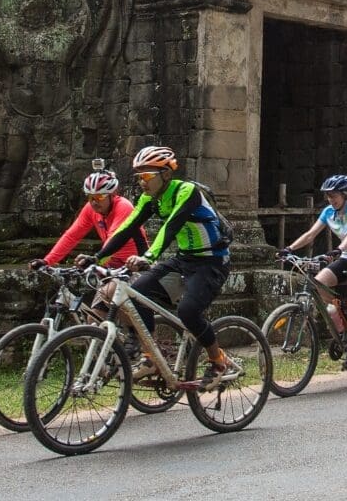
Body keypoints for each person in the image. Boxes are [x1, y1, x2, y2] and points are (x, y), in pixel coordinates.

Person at [89, 146, 237, 390]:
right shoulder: (149, 199)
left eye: (147, 176)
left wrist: (148, 255)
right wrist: (97, 258)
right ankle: (151, 359)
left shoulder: (186, 191)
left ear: (166, 174)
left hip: (211, 261)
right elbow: (126, 229)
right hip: (184, 259)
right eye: (139, 177)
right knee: (137, 293)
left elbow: (171, 227)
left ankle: (217, 359)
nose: (142, 183)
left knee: (188, 312)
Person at [281, 174, 347, 372]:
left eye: (334, 195)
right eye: (328, 196)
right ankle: (343, 317)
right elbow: (310, 234)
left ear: (344, 195)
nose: (331, 199)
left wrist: (339, 249)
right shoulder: (327, 212)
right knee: (317, 283)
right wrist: (289, 249)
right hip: (346, 257)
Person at [34, 161, 146, 268]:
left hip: (135, 262)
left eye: (99, 197)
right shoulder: (90, 208)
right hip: (111, 261)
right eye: (90, 197)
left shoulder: (123, 206)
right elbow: (72, 236)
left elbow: (113, 240)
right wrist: (47, 261)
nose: (94, 202)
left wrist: (95, 260)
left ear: (113, 194)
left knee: (108, 288)